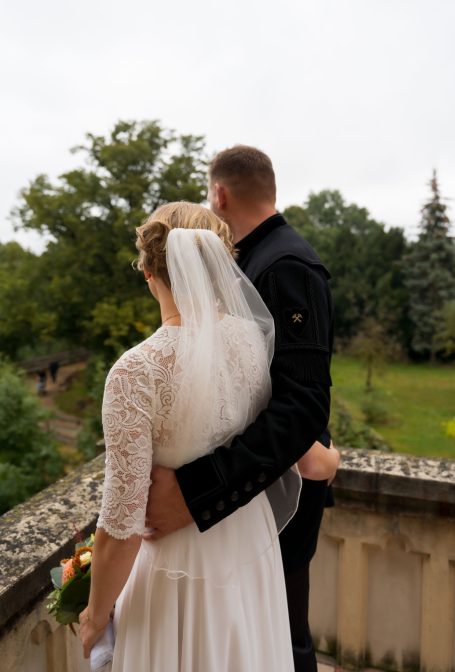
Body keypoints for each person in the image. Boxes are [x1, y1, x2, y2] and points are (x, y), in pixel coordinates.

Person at [78, 202, 339, 672]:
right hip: (250, 549)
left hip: (179, 571)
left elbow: (122, 523)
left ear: (148, 273)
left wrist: (95, 614)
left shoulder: (135, 371)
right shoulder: (252, 340)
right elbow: (289, 438)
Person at [144, 147, 336, 672]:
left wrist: (195, 494)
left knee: (284, 634)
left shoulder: (285, 265)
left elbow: (302, 405)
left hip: (273, 489)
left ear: (219, 194)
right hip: (249, 491)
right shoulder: (249, 261)